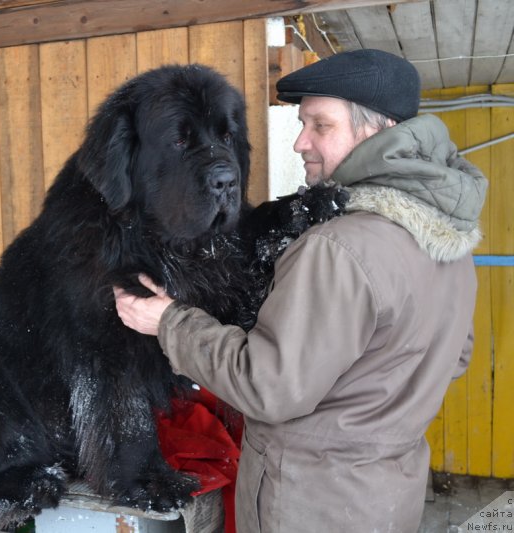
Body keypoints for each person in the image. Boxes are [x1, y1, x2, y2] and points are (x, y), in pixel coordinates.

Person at [113, 49, 488, 532]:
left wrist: (167, 321)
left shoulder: (338, 247)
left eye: (320, 126)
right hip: (388, 495)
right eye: (301, 124)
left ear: (377, 129)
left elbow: (267, 387)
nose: (299, 142)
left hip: (311, 505)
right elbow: (455, 356)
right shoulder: (448, 238)